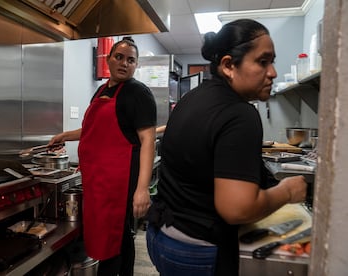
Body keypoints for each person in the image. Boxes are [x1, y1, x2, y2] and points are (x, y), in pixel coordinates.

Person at [146, 19, 307, 276]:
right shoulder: (239, 114)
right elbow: (237, 208)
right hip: (198, 250)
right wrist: (288, 191)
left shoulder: (192, 98)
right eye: (263, 62)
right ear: (229, 65)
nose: (273, 72)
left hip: (161, 237)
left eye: (272, 61)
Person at [49, 37, 157, 276]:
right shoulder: (101, 90)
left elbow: (148, 140)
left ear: (136, 65)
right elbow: (91, 130)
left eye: (131, 60)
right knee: (117, 237)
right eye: (119, 57)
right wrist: (65, 135)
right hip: (99, 179)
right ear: (108, 59)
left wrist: (142, 189)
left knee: (113, 237)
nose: (124, 63)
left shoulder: (138, 93)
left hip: (119, 181)